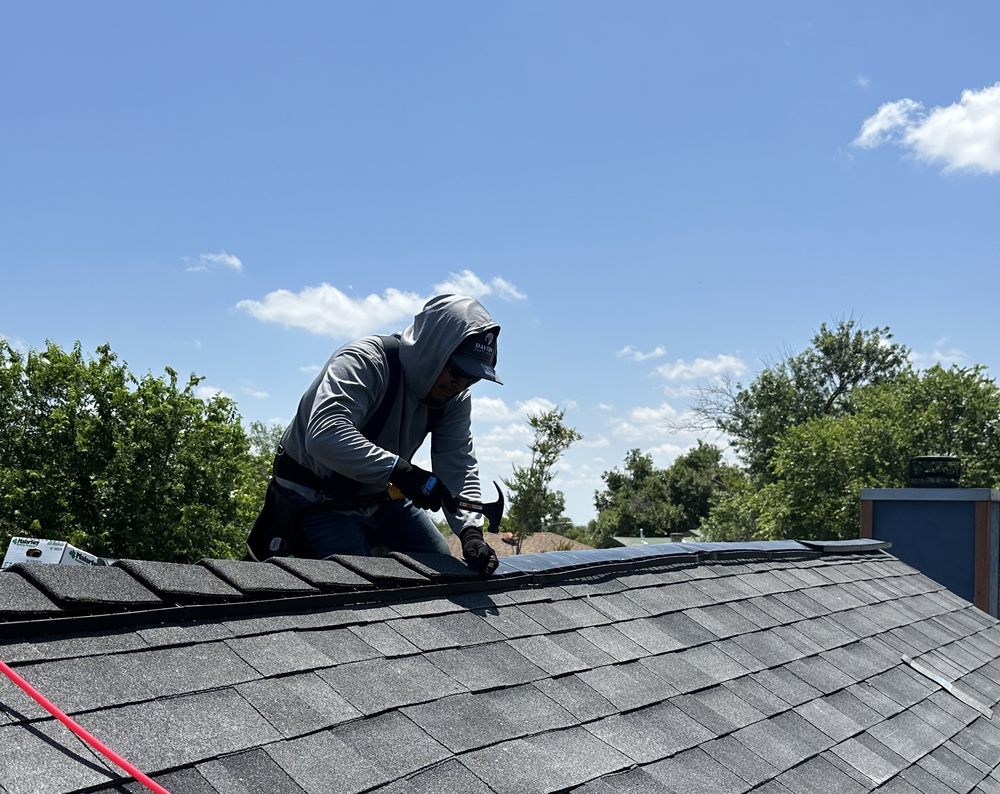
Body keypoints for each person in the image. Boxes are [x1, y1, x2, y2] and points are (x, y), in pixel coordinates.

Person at [247, 293, 501, 574]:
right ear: (433, 351)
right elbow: (325, 433)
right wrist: (402, 472)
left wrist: (470, 531)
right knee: (363, 583)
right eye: (457, 370)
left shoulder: (454, 397)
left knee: (440, 565)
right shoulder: (366, 361)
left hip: (380, 501)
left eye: (472, 377)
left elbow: (458, 462)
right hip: (317, 501)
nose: (460, 384)